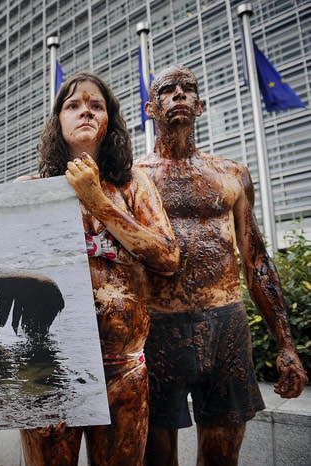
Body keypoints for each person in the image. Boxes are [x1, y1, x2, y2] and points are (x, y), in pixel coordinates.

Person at [135, 64, 308, 466]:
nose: (178, 95)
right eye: (167, 90)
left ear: (201, 105)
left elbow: (257, 262)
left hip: (227, 327)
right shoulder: (134, 177)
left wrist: (285, 343)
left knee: (222, 459)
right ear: (150, 107)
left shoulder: (232, 174)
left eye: (187, 89)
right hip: (158, 330)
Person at [18, 72, 180, 465]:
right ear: (58, 121)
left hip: (123, 369)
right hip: (48, 368)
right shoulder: (30, 189)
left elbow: (168, 259)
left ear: (111, 121)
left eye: (96, 106)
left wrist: (97, 201)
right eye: (73, 105)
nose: (85, 112)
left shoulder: (132, 183)